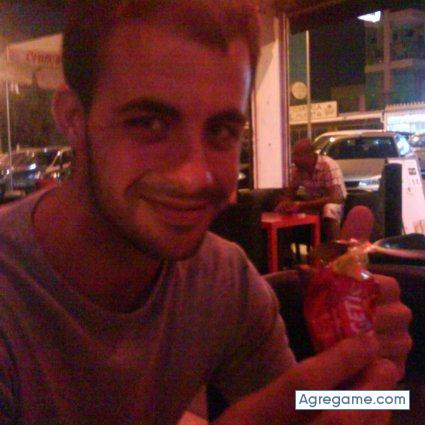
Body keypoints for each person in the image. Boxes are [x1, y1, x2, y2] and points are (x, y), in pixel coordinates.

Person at [0, 1, 411, 423]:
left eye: (222, 130)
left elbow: (296, 408)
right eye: (149, 123)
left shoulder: (223, 281)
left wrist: (362, 382)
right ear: (73, 118)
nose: (194, 177)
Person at [275, 138, 347, 241]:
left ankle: (334, 247)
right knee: (281, 210)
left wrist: (302, 205)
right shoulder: (298, 170)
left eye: (297, 155)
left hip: (337, 204)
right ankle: (284, 249)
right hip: (313, 204)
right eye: (293, 155)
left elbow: (335, 197)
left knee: (329, 209)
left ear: (310, 155)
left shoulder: (328, 165)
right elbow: (289, 193)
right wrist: (285, 203)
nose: (293, 159)